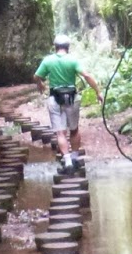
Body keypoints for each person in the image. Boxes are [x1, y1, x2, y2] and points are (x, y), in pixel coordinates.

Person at [34, 33, 103, 172]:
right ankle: (75, 157)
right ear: (68, 47)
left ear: (55, 46)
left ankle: (68, 162)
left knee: (60, 133)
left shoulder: (48, 60)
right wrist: (98, 91)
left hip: (55, 99)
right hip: (72, 98)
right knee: (74, 130)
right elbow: (86, 75)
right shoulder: (73, 60)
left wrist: (40, 84)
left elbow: (36, 76)